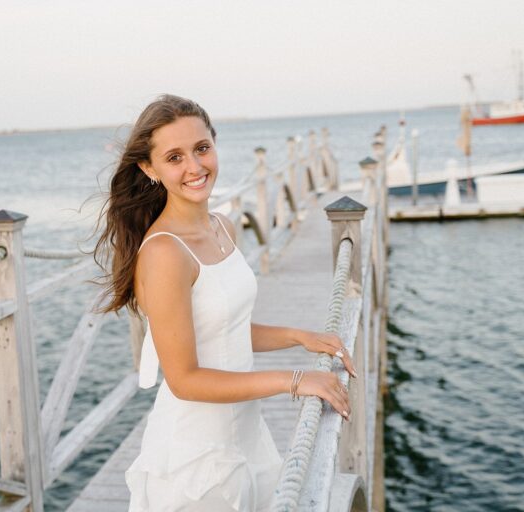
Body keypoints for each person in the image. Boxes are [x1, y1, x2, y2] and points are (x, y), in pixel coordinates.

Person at [92, 94, 356, 512]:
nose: (195, 167)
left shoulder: (223, 226)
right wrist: (293, 380)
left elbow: (223, 330)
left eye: (201, 149)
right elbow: (184, 378)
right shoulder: (164, 253)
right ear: (149, 168)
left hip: (246, 431)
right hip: (197, 454)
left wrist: (298, 336)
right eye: (175, 157)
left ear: (215, 144)